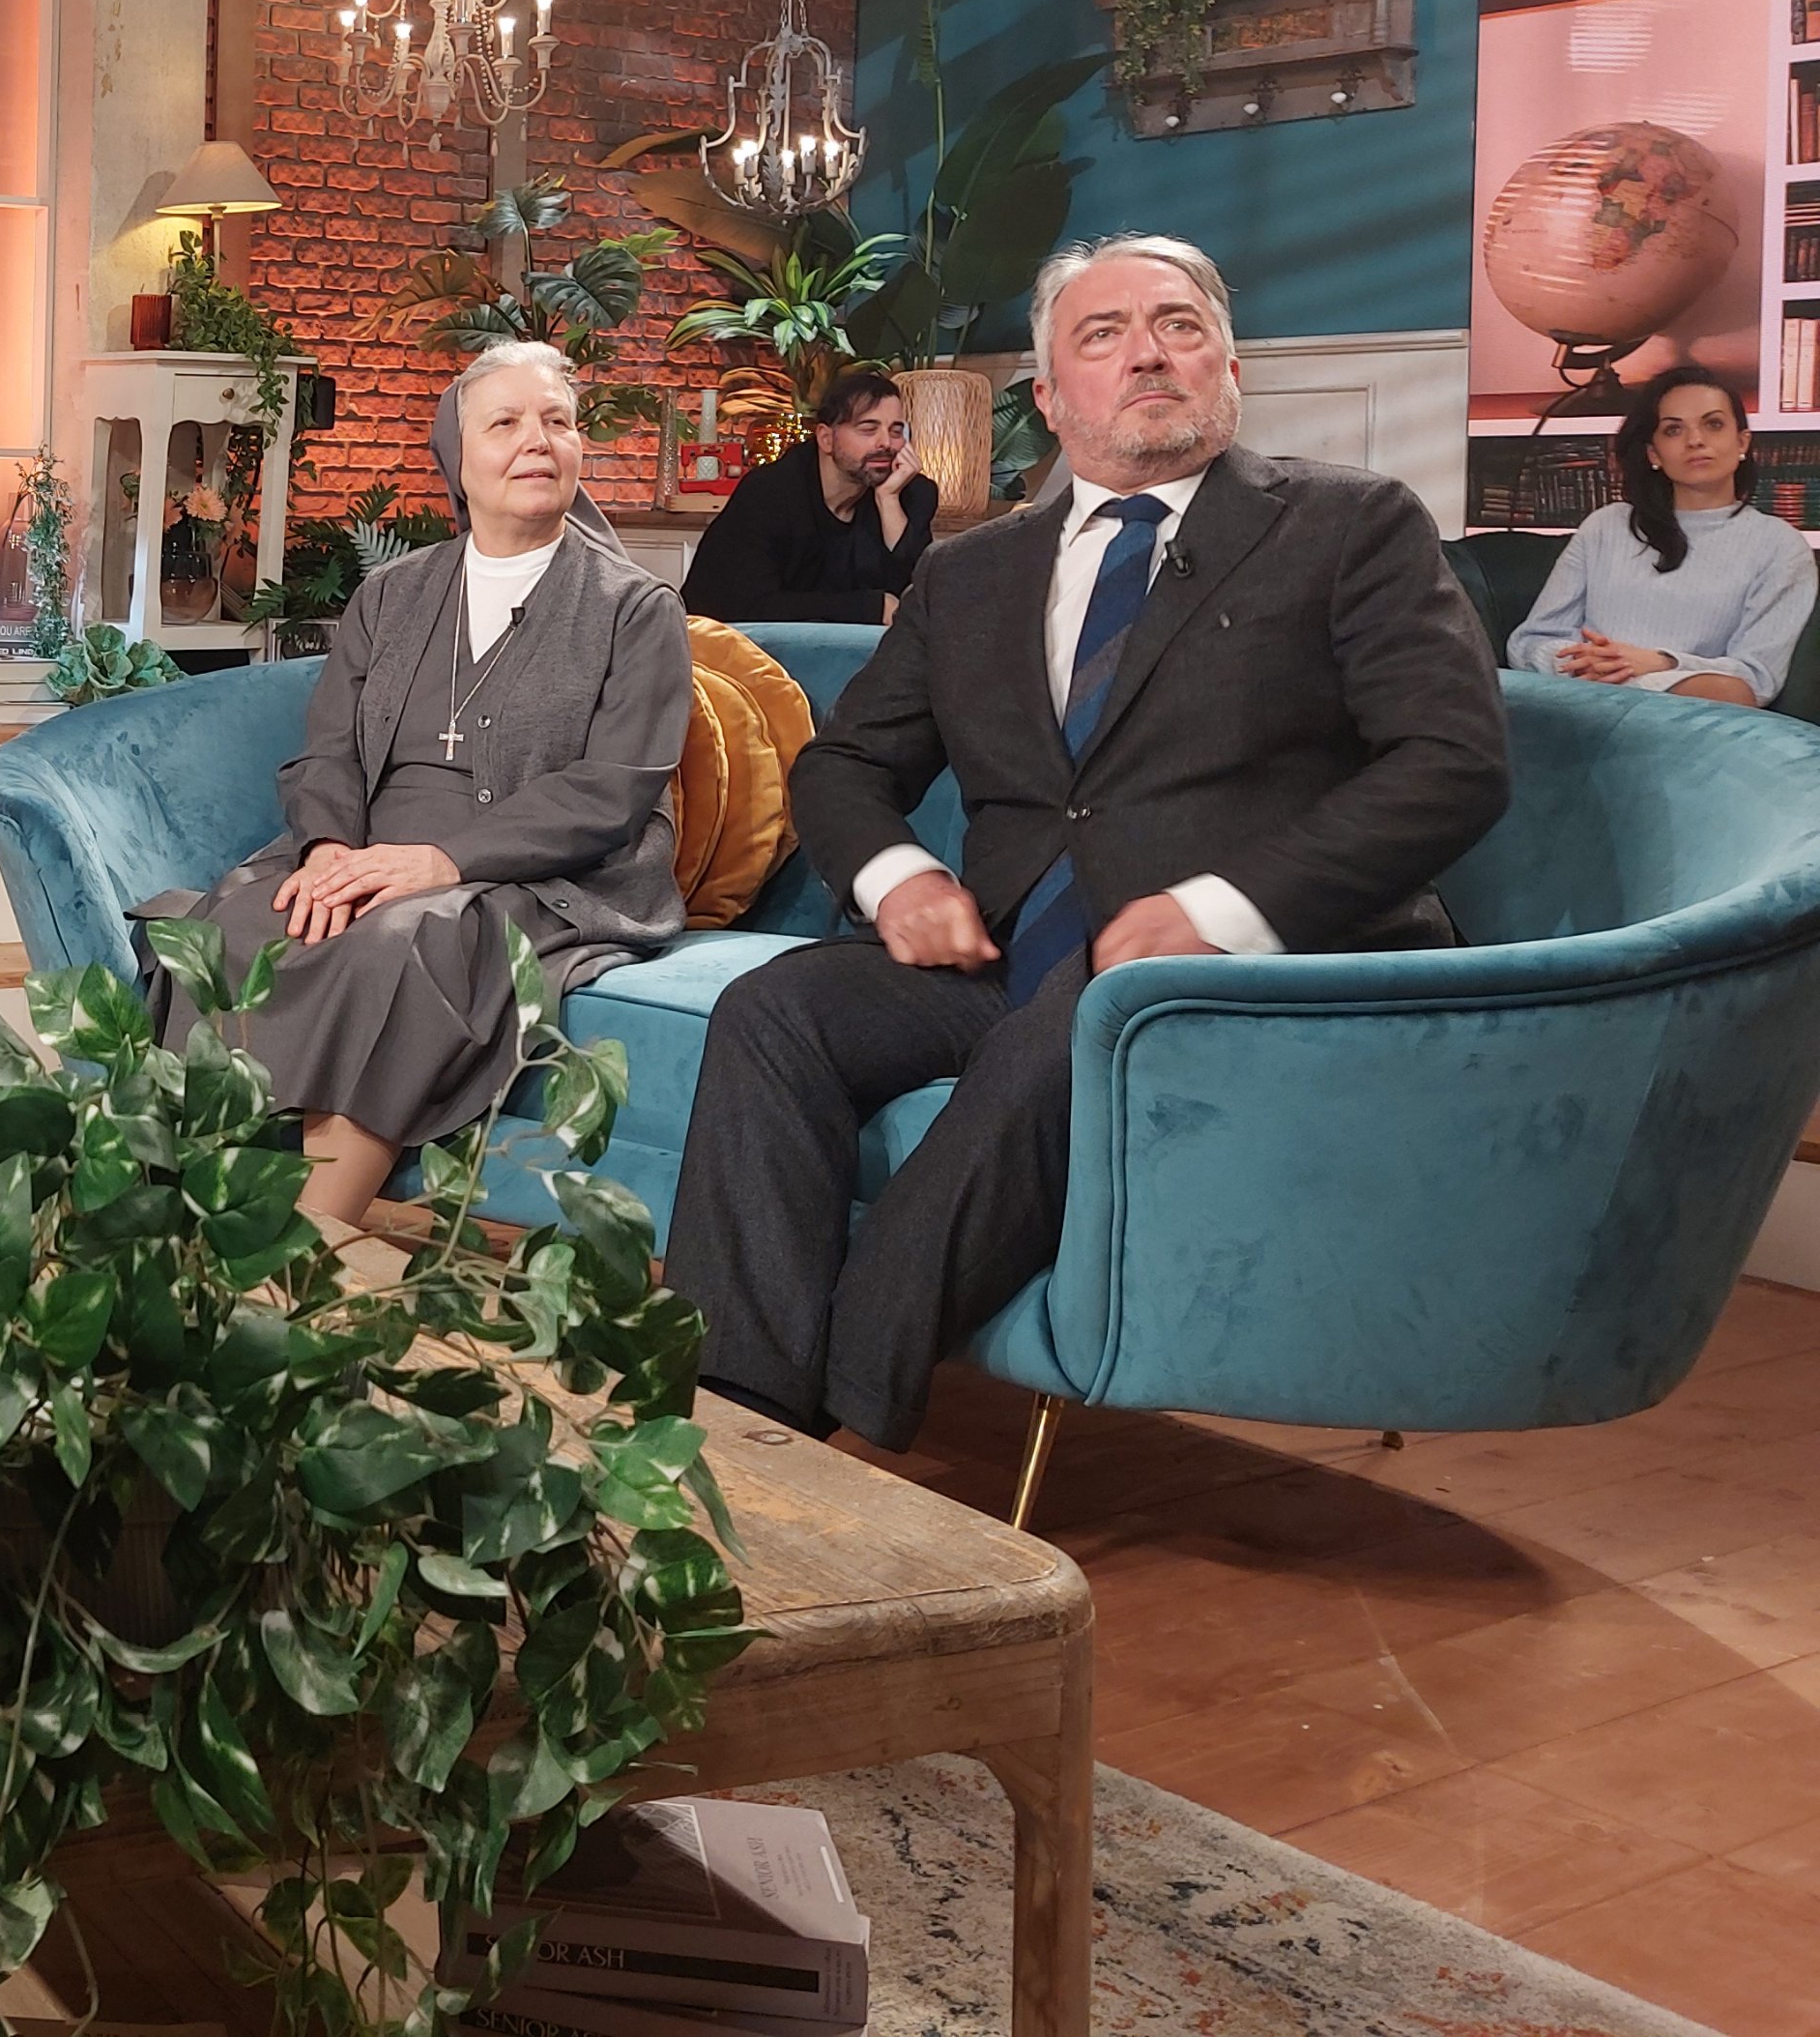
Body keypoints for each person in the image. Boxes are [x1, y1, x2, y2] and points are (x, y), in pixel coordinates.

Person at [667, 235, 1512, 1451]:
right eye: (1103, 336)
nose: (1147, 354)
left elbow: (1452, 763)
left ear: (1229, 369)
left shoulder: (1348, 525)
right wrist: (899, 878)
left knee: (1077, 1022)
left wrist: (1221, 909)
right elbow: (845, 765)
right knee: (776, 1010)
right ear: (1051, 397)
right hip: (1009, 946)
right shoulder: (970, 574)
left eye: (1178, 325)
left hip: (1247, 963)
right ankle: (734, 1404)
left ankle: (810, 1437)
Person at [137, 341, 691, 1243]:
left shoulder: (634, 607)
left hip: (535, 872)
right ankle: (174, 1231)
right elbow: (328, 754)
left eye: (556, 422)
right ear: (458, 458)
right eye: (506, 423)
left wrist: (441, 862)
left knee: (400, 943)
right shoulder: (392, 594)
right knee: (233, 925)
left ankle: (298, 1257)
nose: (538, 441)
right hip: (366, 851)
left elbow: (612, 790)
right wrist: (328, 852)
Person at [1510, 364, 1813, 708]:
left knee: (1728, 690)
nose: (1695, 440)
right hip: (1585, 704)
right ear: (1654, 454)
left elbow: (1753, 681)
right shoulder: (1606, 526)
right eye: (1673, 430)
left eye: (1713, 424)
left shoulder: (1779, 546)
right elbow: (1531, 642)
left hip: (1693, 718)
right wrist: (1595, 664)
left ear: (1742, 441)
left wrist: (1661, 663)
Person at [682, 367, 939, 626]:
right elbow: (748, 607)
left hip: (864, 650)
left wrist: (888, 499)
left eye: (896, 431)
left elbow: (924, 606)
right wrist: (870, 608)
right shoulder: (772, 493)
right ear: (826, 439)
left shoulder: (910, 494)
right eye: (868, 429)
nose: (886, 443)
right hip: (738, 645)